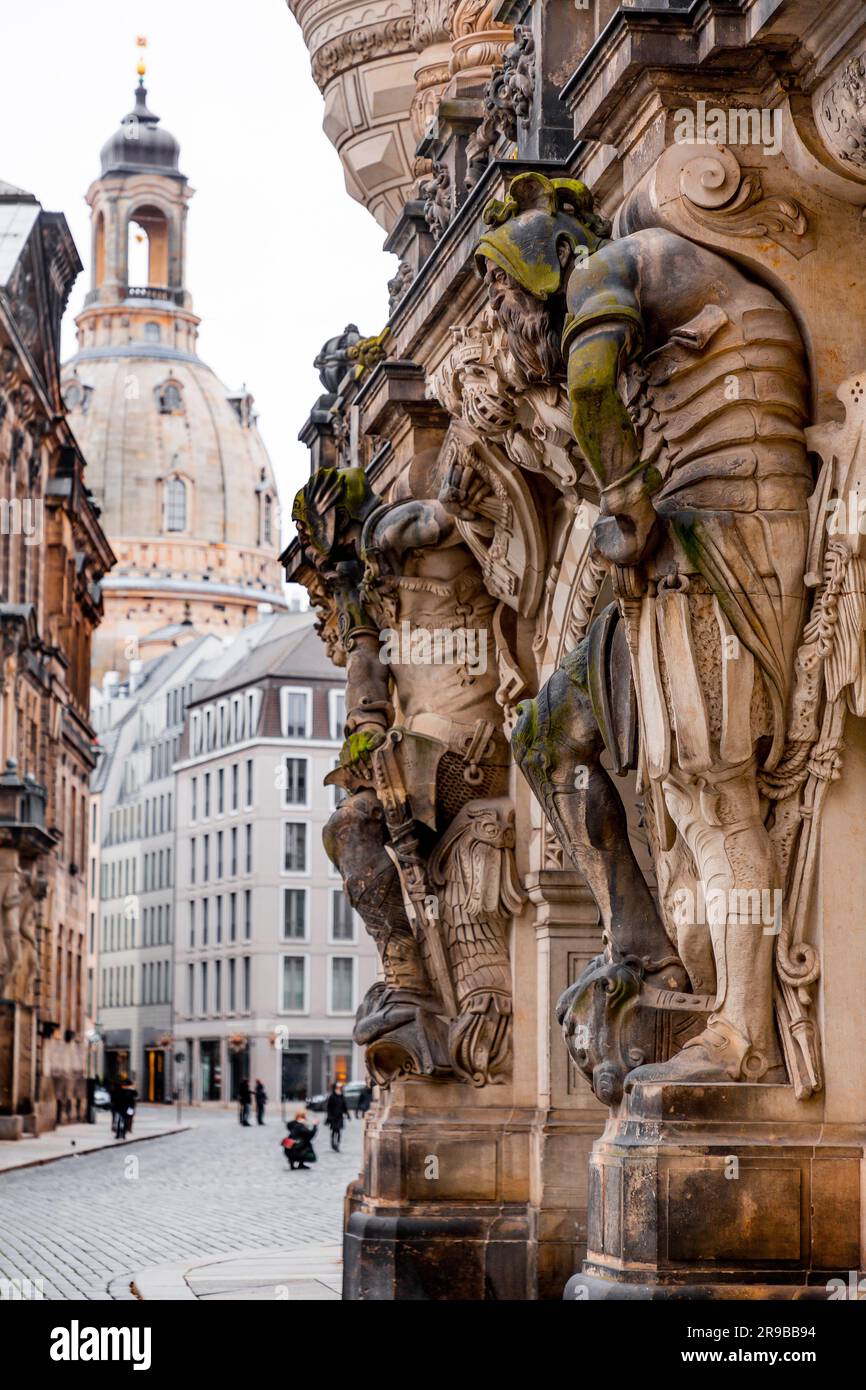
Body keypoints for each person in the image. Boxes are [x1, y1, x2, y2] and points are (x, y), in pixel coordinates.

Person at [324, 1082, 350, 1152]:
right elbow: (329, 1107)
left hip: (340, 1116)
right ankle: (332, 1143)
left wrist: (348, 1114)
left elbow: (344, 1106)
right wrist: (329, 1116)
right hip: (333, 1117)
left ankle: (337, 1145)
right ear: (335, 1088)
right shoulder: (332, 1096)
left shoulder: (342, 1096)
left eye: (340, 1087)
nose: (339, 1089)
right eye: (338, 1087)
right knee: (334, 1131)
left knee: (339, 1131)